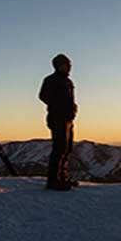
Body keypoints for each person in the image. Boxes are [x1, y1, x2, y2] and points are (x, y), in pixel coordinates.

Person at [39, 54, 78, 190]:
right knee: (59, 149)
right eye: (67, 64)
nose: (70, 67)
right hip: (57, 118)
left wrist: (73, 108)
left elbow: (70, 99)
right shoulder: (51, 80)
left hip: (67, 119)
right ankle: (53, 181)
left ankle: (63, 177)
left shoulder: (68, 81)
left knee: (67, 148)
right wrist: (59, 106)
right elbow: (43, 96)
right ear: (59, 65)